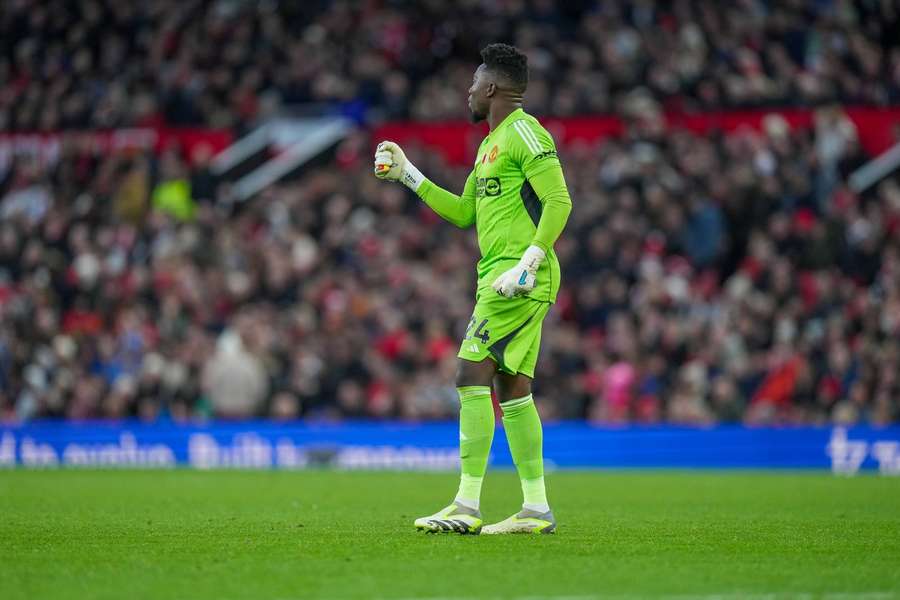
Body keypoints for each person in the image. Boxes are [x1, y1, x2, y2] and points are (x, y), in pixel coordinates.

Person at [373, 43, 572, 534]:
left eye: (473, 82)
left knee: (469, 373)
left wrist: (529, 261)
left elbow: (559, 200)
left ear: (492, 87)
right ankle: (535, 508)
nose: (467, 90)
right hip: (501, 275)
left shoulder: (526, 132)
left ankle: (465, 504)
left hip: (519, 277)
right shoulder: (489, 145)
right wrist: (408, 174)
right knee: (513, 389)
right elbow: (465, 212)